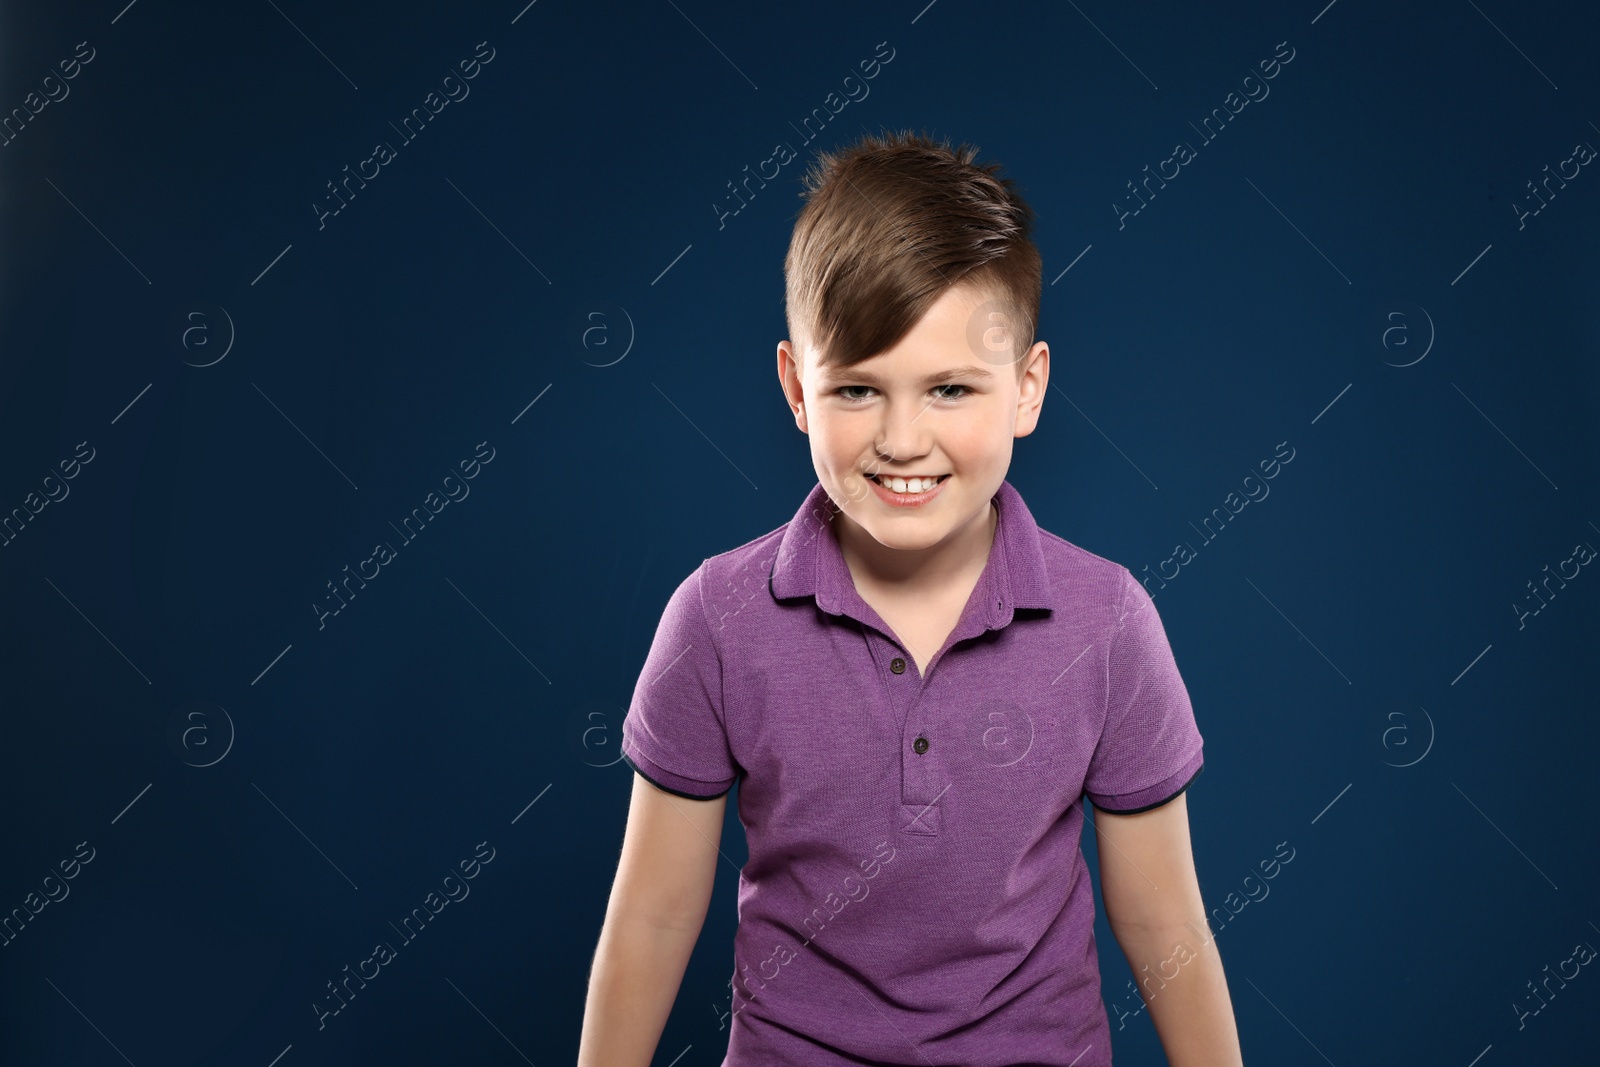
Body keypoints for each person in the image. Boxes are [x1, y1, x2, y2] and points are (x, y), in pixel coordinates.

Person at [578, 128, 1242, 1066]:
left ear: (1026, 388)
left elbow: (1165, 923)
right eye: (856, 388)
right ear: (796, 388)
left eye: (949, 389)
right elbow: (650, 917)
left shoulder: (1110, 622)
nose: (900, 437)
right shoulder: (717, 620)